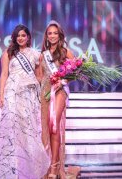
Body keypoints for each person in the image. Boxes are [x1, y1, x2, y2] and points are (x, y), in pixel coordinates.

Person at [0, 24, 50, 178]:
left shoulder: (37, 55)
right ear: (15, 38)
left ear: (28, 37)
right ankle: (8, 165)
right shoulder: (8, 53)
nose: (21, 38)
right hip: (12, 92)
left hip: (28, 94)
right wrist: (1, 94)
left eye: (23, 35)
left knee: (27, 129)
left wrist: (40, 93)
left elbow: (39, 76)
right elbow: (4, 74)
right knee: (10, 127)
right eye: (18, 36)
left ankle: (27, 166)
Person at [38, 20, 80, 179]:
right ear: (46, 36)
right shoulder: (43, 55)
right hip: (45, 93)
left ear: (60, 34)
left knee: (54, 125)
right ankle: (48, 164)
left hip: (60, 91)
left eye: (55, 33)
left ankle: (55, 167)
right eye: (50, 33)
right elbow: (40, 77)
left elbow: (75, 72)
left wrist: (63, 81)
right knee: (47, 129)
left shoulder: (65, 51)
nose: (53, 35)